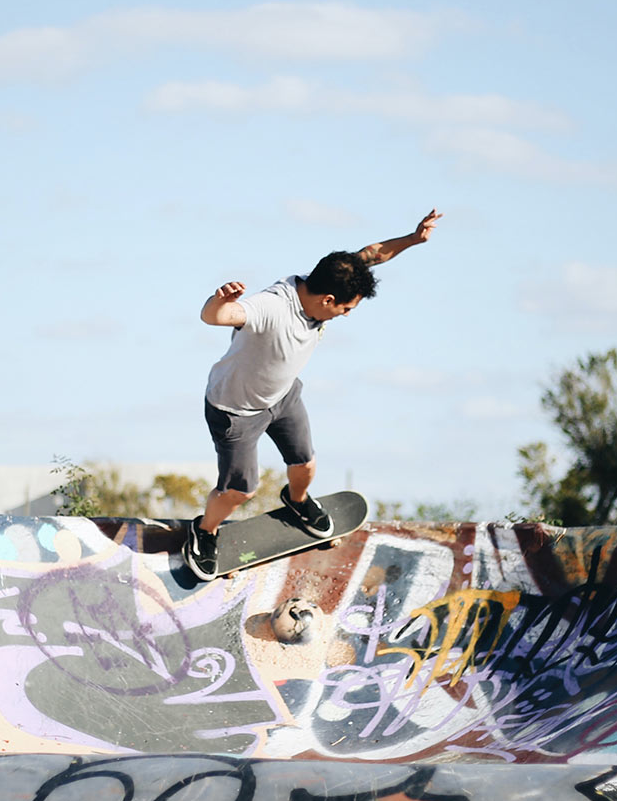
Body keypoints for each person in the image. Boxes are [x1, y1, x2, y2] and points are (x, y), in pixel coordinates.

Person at [183, 209, 442, 581]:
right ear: (329, 300)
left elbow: (372, 254)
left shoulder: (331, 278)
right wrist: (219, 298)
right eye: (347, 308)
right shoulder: (272, 306)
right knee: (240, 490)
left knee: (305, 464)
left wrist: (413, 239)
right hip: (235, 410)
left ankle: (297, 501)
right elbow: (215, 317)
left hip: (283, 397)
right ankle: (204, 531)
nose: (347, 315)